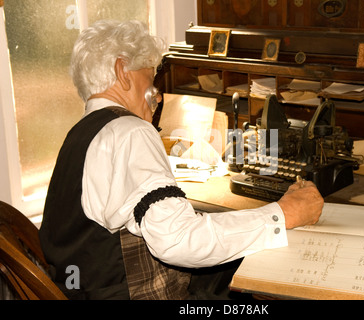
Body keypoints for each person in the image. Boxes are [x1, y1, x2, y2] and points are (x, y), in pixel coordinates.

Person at [39, 20, 324, 300]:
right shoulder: (130, 131)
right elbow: (178, 240)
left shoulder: (82, 132)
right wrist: (282, 215)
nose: (157, 94)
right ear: (122, 72)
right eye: (150, 78)